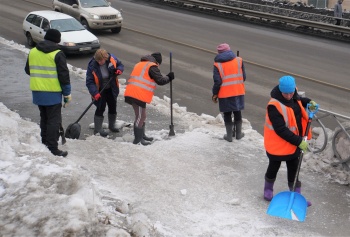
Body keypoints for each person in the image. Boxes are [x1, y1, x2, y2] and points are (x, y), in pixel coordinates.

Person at [263, 75, 317, 207]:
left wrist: (309, 102)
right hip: (278, 144)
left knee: (294, 169)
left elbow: (299, 100)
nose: (289, 96)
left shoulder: (293, 93)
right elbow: (281, 129)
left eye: (291, 92)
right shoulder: (274, 106)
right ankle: (268, 189)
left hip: (294, 144)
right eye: (286, 93)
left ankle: (296, 195)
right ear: (281, 91)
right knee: (273, 167)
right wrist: (299, 141)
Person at [24, 29, 71, 157]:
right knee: (53, 121)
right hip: (53, 93)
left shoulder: (33, 51)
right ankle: (52, 148)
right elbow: (64, 76)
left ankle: (44, 142)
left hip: (38, 92)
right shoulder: (57, 53)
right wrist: (67, 94)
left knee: (44, 118)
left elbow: (28, 70)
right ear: (57, 40)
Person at [124, 52, 174, 145]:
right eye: (159, 64)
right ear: (157, 62)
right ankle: (138, 140)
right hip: (137, 94)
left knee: (142, 116)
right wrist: (169, 77)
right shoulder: (152, 66)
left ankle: (142, 136)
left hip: (135, 92)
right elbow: (160, 80)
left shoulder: (141, 64)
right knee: (140, 116)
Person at [86, 48, 124, 137]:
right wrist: (95, 92)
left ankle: (112, 126)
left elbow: (120, 64)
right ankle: (98, 129)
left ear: (105, 58)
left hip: (111, 88)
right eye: (98, 61)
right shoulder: (92, 65)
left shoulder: (112, 59)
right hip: (99, 90)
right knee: (100, 107)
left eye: (101, 61)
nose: (99, 62)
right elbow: (89, 81)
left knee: (113, 106)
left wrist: (119, 69)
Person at [212, 43, 246, 142]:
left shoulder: (217, 64)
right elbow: (244, 77)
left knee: (227, 113)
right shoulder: (239, 60)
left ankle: (229, 136)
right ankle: (239, 134)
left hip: (224, 93)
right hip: (238, 90)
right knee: (237, 111)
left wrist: (215, 94)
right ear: (229, 50)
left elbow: (217, 82)